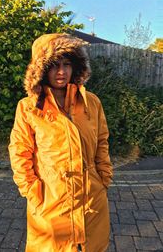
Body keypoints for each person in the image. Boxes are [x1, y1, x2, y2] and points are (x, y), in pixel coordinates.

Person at [9, 33, 113, 252]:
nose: (61, 72)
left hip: (91, 199)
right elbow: (20, 151)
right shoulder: (28, 107)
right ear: (41, 69)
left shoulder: (91, 102)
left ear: (76, 67)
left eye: (67, 64)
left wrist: (103, 176)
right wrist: (32, 190)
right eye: (54, 65)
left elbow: (102, 141)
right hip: (51, 200)